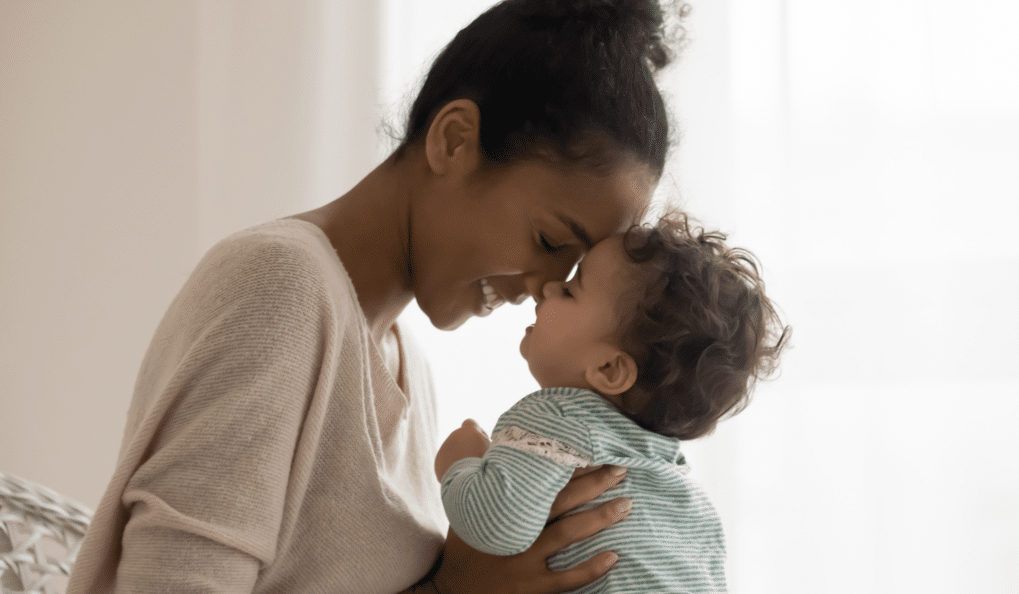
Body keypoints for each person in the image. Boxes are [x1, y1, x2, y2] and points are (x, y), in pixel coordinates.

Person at [67, 0, 689, 593]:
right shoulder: (280, 286)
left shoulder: (406, 367)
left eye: (576, 271)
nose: (544, 292)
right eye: (551, 240)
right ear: (453, 141)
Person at [434, 212, 791, 593]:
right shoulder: (688, 501)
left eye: (571, 291)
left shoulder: (557, 416)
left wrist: (460, 461)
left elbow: (496, 524)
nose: (550, 288)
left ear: (608, 369)